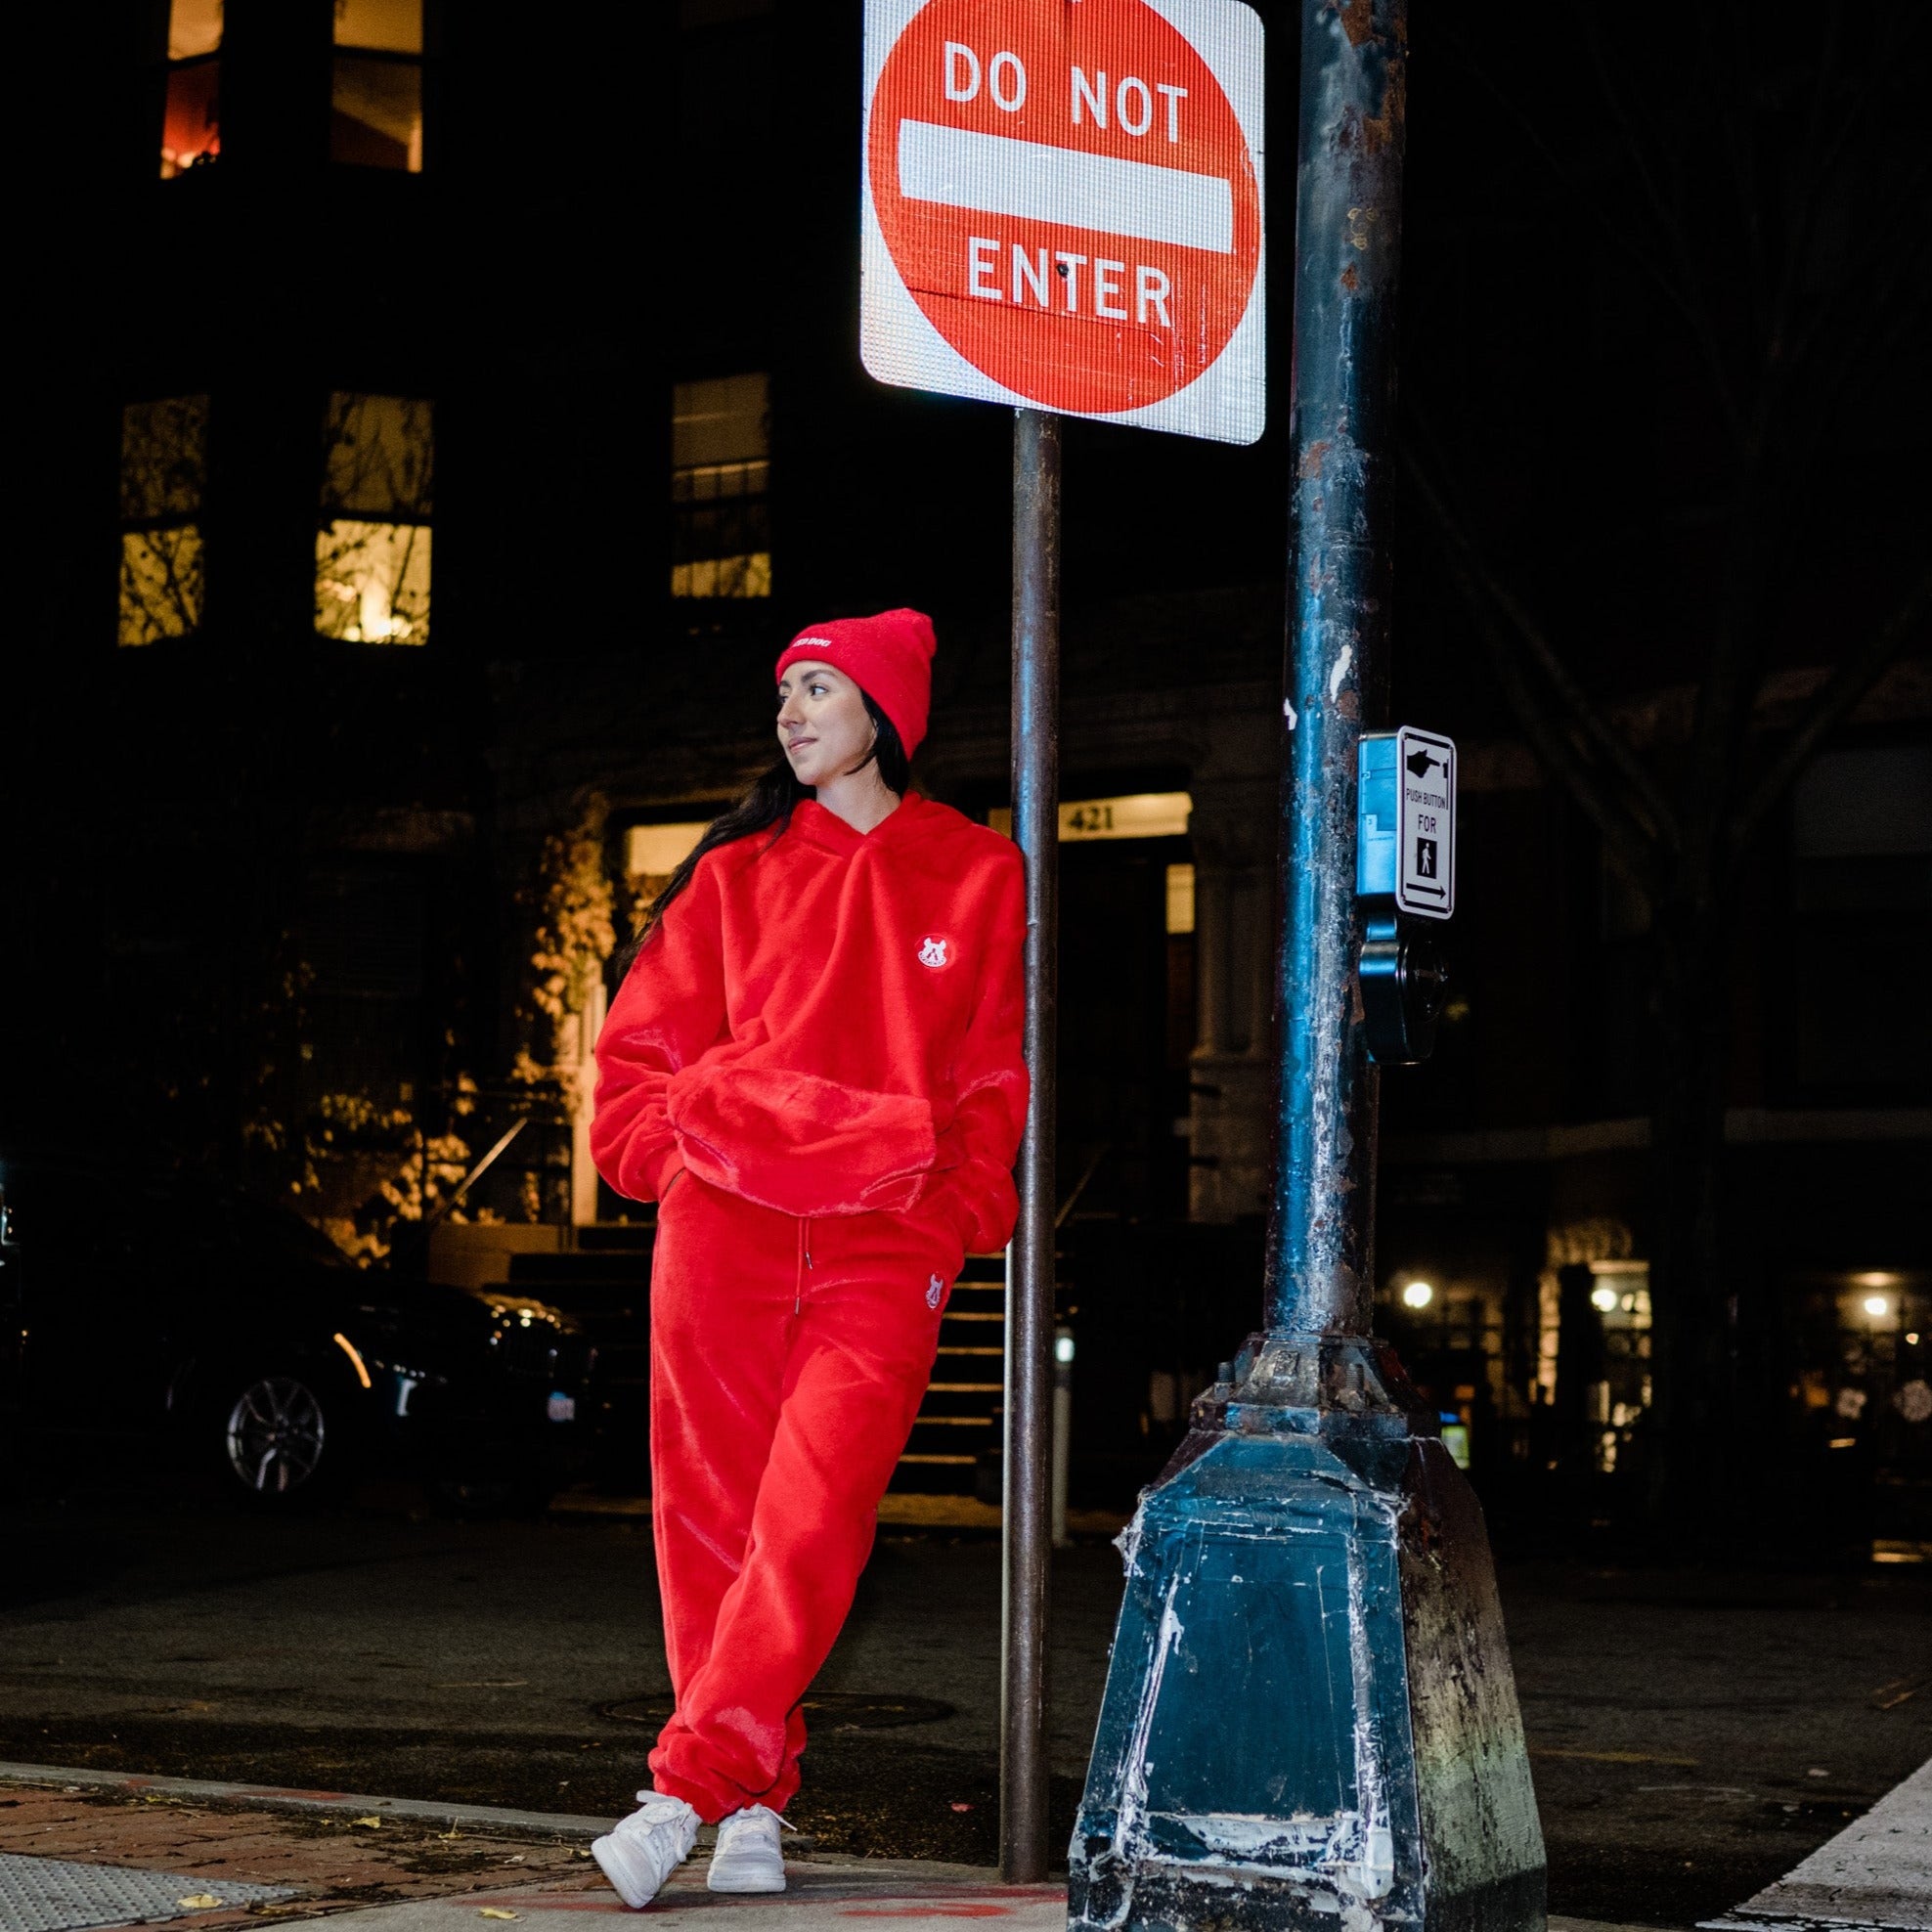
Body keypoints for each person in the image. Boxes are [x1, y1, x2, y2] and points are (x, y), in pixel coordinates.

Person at [587, 607, 1029, 1906]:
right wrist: (678, 1156)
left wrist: (951, 1215)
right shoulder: (735, 873)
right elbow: (633, 1066)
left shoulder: (977, 871)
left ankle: (683, 1787)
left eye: (820, 690)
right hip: (726, 1224)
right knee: (709, 1527)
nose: (792, 714)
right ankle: (754, 1804)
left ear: (886, 712)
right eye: (784, 693)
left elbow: (994, 1074)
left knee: (816, 1516)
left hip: (885, 1239)